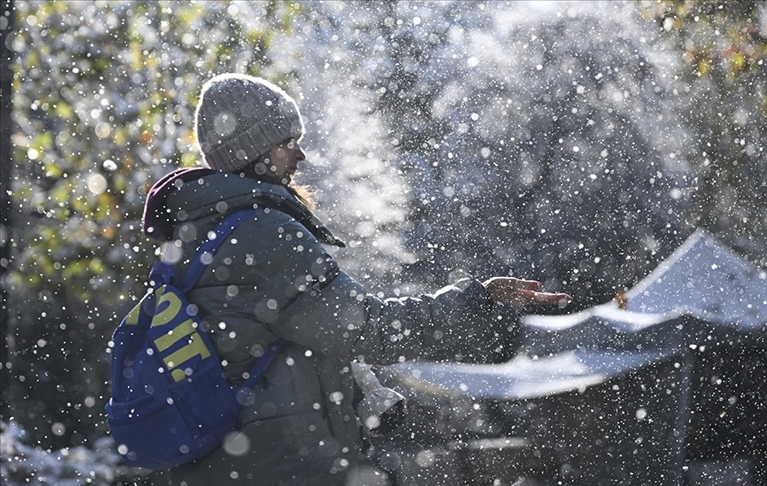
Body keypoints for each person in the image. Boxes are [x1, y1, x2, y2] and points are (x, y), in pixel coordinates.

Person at [142, 73, 571, 485]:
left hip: (233, 460)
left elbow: (295, 338)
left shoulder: (198, 235)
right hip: (287, 463)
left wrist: (361, 390)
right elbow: (365, 327)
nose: (300, 155)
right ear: (255, 151)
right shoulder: (262, 233)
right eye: (288, 142)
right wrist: (477, 298)